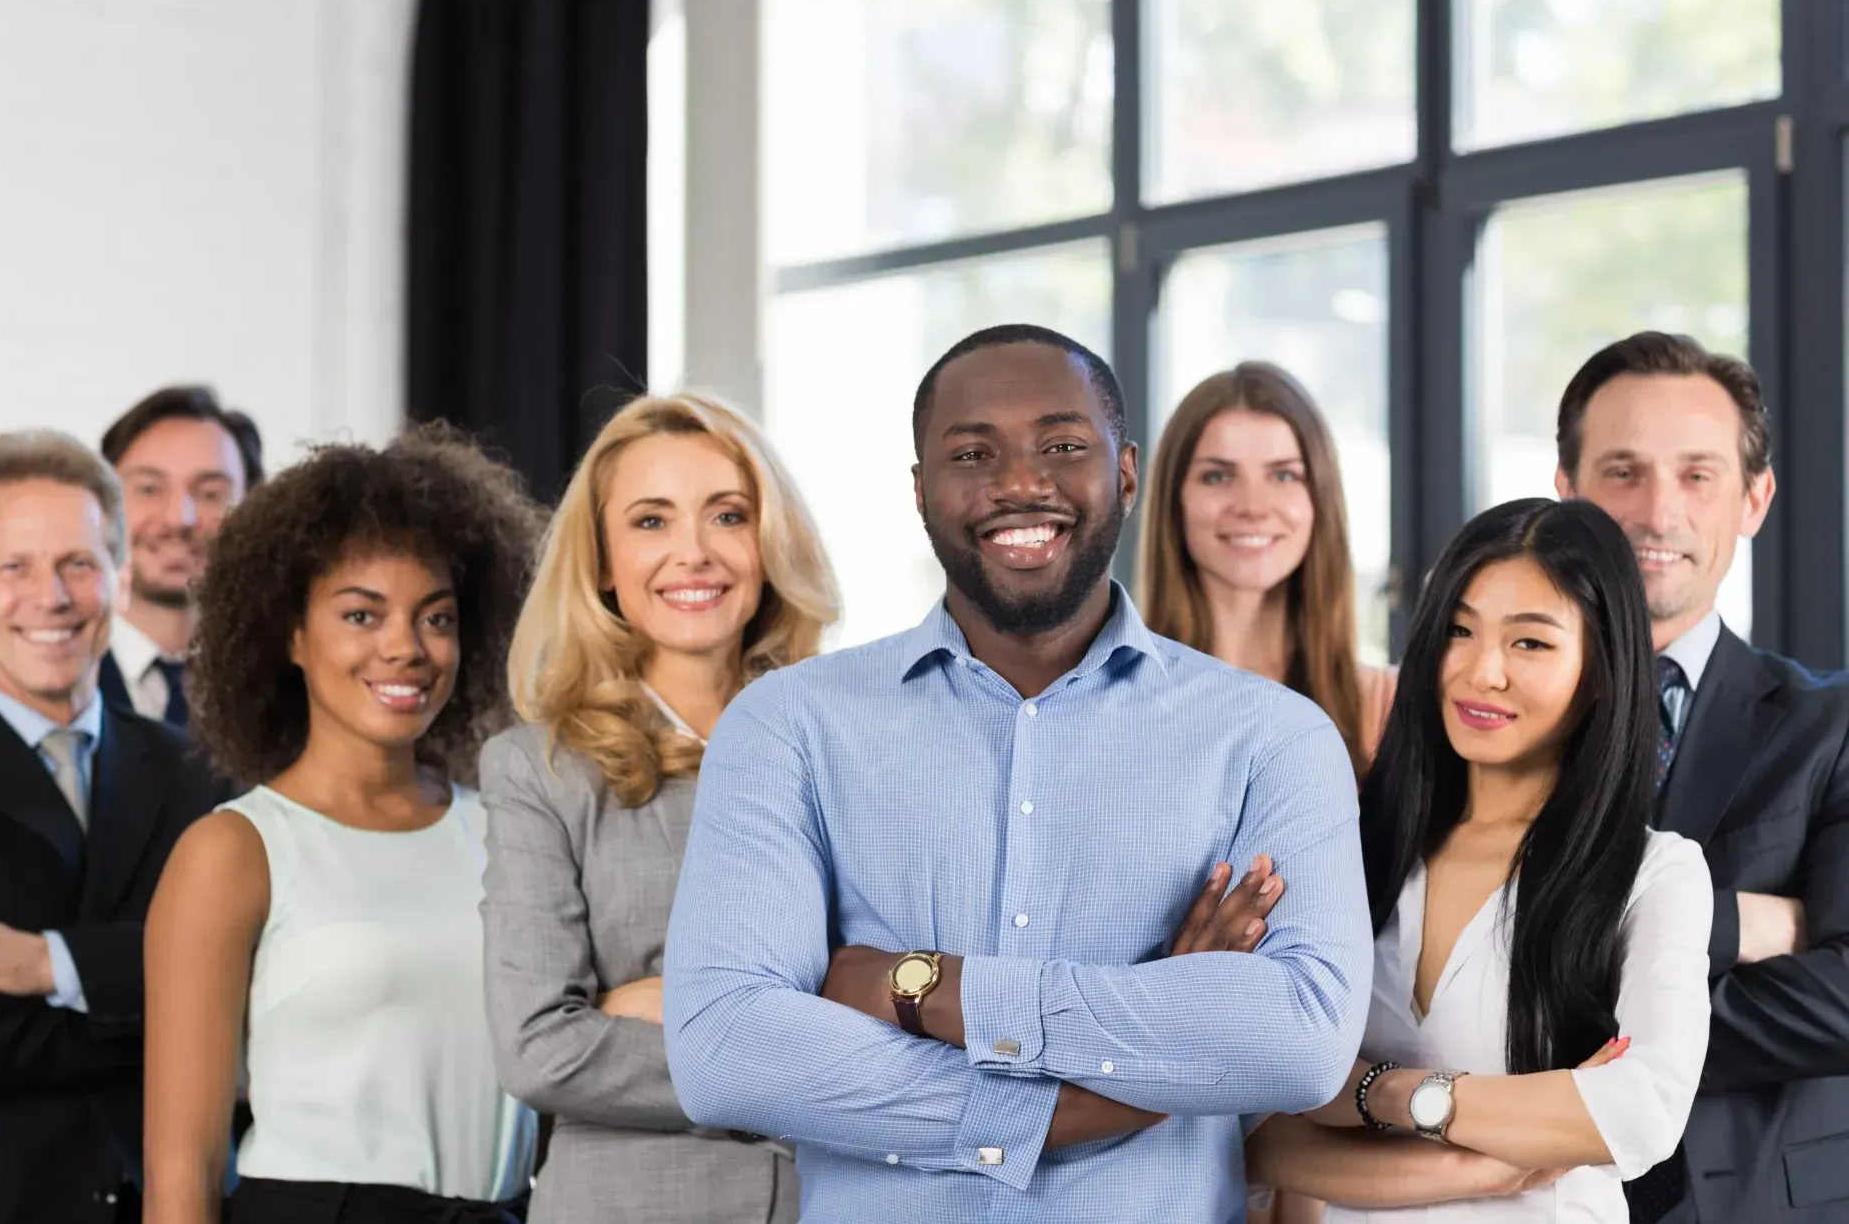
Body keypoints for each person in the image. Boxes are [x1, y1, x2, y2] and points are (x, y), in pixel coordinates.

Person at [663, 323, 1373, 1223]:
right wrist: (1136, 1052)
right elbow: (727, 1050)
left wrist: (922, 986)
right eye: (972, 453)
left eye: (1062, 446)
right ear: (920, 493)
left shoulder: (1272, 738)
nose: (1020, 482)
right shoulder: (787, 727)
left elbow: (1300, 1041)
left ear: (1123, 472)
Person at [1247, 497, 1714, 1220]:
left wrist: (1382, 1090)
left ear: (1600, 668)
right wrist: (1495, 1163)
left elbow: (1644, 1110)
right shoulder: (1347, 839)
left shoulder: (1655, 875)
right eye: (1460, 630)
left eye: (1530, 643)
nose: (1481, 671)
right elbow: (1265, 1138)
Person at [141, 427, 542, 1224]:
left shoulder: (508, 831)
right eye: (362, 615)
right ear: (290, 634)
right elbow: (181, 1167)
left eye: (436, 618)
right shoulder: (234, 851)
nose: (405, 648)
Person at [481, 393, 838, 1223]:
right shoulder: (539, 770)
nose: (694, 553)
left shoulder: (849, 749)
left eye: (728, 515)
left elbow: (910, 992)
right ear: (602, 559)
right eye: (651, 521)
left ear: (769, 539)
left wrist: (672, 1001)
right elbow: (541, 1050)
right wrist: (791, 1049)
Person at [1553, 332, 1849, 1223]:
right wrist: (1738, 924)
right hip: (1520, 1196)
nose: (1658, 512)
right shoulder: (1484, 712)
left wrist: (1570, 1019)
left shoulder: (1829, 729)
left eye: (1697, 474)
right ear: (1566, 493)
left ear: (1754, 499)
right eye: (1623, 472)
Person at [0, 431, 220, 1223]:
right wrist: (166, 1001)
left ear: (120, 579)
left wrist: (43, 962)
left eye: (78, 564)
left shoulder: (199, 771)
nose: (51, 597)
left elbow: (248, 979)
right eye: (14, 567)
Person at [1140, 360, 1395, 777]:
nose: (1253, 507)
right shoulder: (1110, 706)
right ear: (1175, 499)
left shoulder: (1391, 707)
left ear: (1319, 500)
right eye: (1218, 476)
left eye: (1283, 475)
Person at [98, 385, 263, 729]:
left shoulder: (285, 688)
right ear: (101, 504)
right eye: (149, 489)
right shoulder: (52, 677)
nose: (180, 519)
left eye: (211, 494)